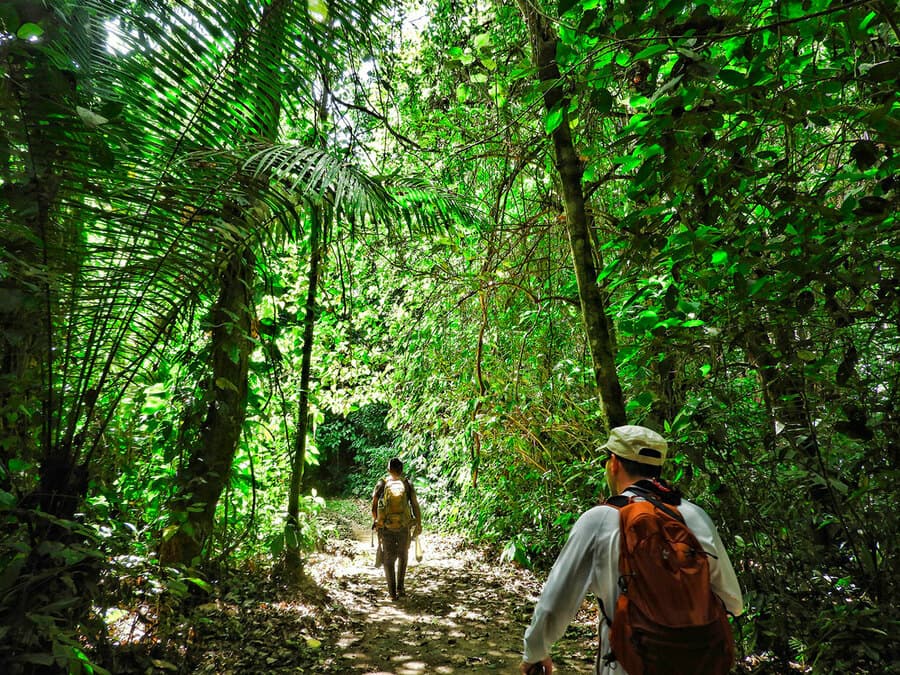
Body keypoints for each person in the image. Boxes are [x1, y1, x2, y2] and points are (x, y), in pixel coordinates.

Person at [520, 425, 743, 674]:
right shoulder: (695, 516)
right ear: (659, 467)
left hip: (628, 662)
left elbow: (555, 603)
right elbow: (733, 602)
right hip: (699, 662)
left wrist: (535, 652)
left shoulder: (599, 520)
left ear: (614, 463)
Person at [371, 457, 422, 600]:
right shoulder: (407, 484)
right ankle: (401, 588)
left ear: (388, 470)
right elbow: (415, 505)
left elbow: (374, 504)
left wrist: (377, 521)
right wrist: (418, 523)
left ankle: (392, 593)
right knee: (403, 556)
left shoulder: (382, 483)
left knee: (388, 559)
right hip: (403, 527)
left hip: (386, 527)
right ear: (402, 470)